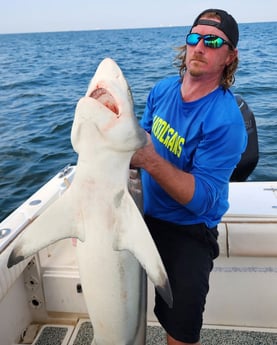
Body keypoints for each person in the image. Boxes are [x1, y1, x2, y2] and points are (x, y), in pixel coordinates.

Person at [130, 8, 247, 345]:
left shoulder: (225, 121)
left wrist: (150, 161)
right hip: (142, 212)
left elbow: (203, 200)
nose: (200, 47)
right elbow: (144, 139)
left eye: (213, 41)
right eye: (194, 37)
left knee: (180, 330)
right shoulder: (162, 90)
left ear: (229, 56)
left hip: (187, 230)